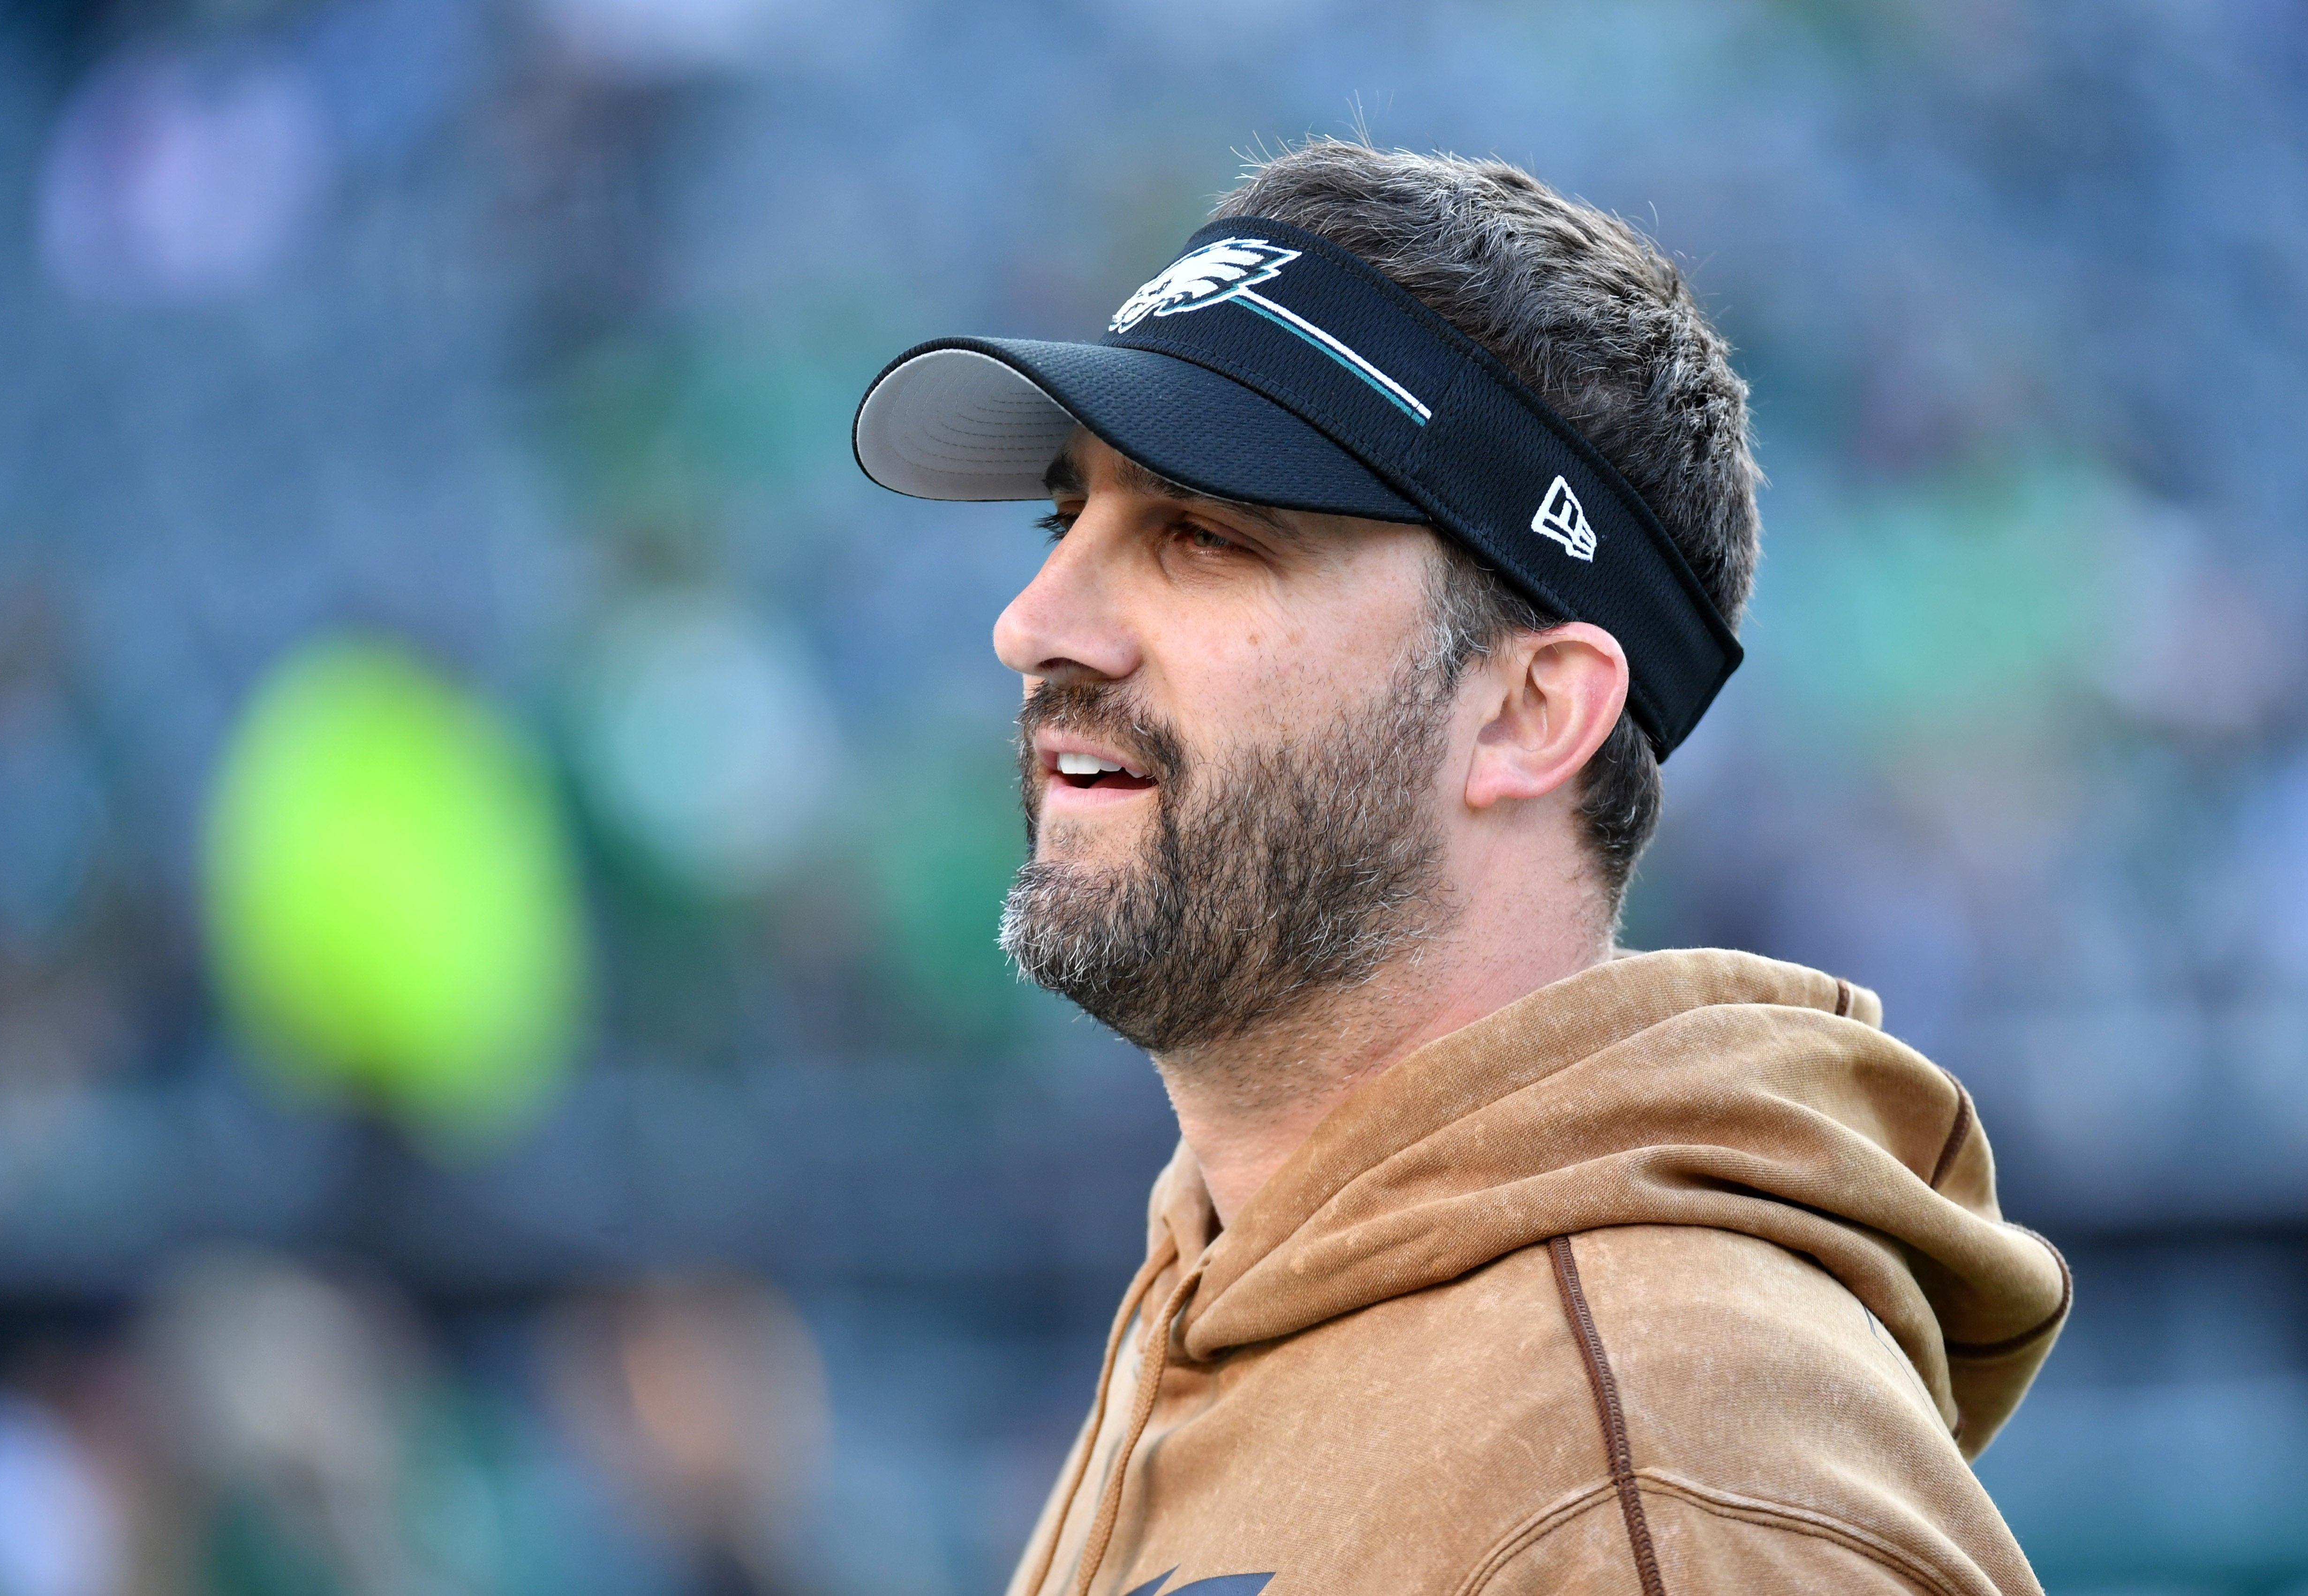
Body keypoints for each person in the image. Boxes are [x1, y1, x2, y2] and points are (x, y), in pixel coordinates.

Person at [852, 142, 2067, 1596]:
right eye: (1071, 518)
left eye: (1201, 533)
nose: (1035, 618)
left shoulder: (1658, 1488)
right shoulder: (1238, 1273)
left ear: (1528, 712)